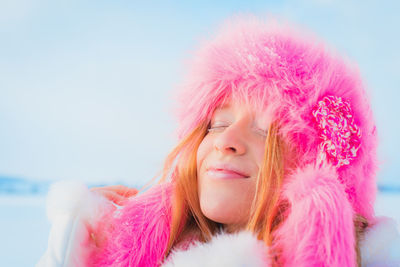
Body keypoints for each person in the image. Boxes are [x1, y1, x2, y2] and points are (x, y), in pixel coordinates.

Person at [37, 15, 400, 267]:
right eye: (215, 123)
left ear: (317, 169)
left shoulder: (378, 256)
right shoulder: (155, 253)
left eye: (265, 132)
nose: (226, 141)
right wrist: (75, 248)